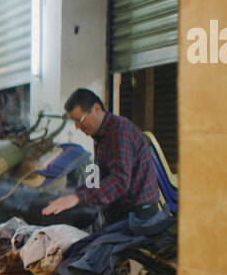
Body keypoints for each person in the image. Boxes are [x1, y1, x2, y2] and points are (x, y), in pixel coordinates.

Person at [42, 88, 161, 224]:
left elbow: (120, 181)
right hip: (119, 214)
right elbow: (97, 179)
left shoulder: (119, 130)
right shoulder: (100, 136)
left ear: (97, 109)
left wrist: (77, 197)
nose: (77, 126)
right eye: (74, 122)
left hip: (140, 217)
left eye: (79, 120)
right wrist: (71, 193)